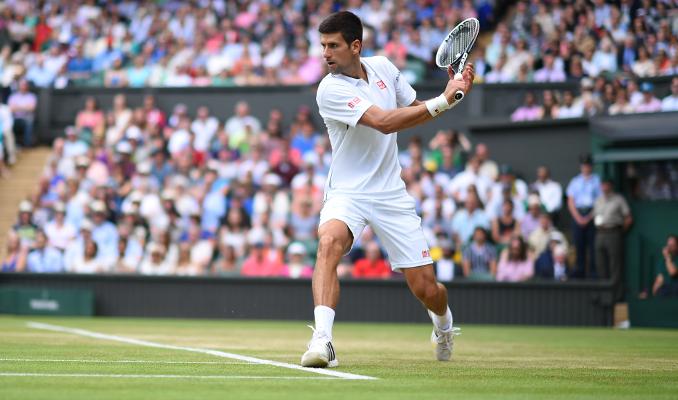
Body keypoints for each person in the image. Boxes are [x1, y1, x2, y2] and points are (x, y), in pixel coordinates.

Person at [301, 11, 473, 368]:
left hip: (391, 194)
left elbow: (411, 112)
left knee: (428, 290)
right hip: (347, 193)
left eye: (333, 46)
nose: (326, 53)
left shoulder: (383, 67)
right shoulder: (329, 88)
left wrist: (449, 96)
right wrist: (444, 99)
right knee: (328, 243)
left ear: (356, 46)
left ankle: (443, 324)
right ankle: (323, 341)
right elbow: (382, 122)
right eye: (323, 46)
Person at [593, 178, 633, 301]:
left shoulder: (619, 199)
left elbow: (628, 218)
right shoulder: (598, 200)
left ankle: (617, 296)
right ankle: (604, 295)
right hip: (600, 233)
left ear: (611, 186)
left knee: (615, 266)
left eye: (606, 185)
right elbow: (595, 216)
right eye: (602, 185)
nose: (604, 187)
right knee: (601, 265)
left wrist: (620, 232)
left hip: (613, 232)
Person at [567, 154, 601, 278]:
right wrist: (578, 217)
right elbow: (571, 201)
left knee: (592, 247)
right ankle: (579, 273)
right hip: (578, 214)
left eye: (588, 165)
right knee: (579, 246)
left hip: (592, 214)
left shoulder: (597, 180)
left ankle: (593, 274)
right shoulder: (575, 181)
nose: (586, 168)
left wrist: (589, 217)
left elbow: (599, 201)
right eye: (584, 166)